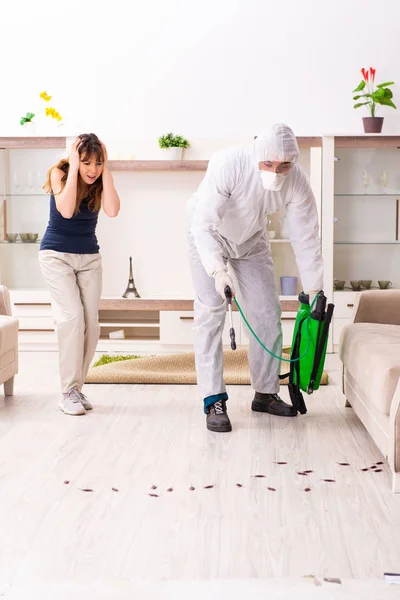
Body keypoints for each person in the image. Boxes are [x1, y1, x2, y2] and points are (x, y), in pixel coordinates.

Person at [187, 123, 323, 432]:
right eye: (269, 164)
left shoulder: (297, 182)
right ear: (256, 156)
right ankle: (213, 400)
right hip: (208, 235)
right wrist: (217, 270)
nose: (276, 172)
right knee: (210, 313)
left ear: (294, 162)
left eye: (284, 165)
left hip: (251, 239)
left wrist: (315, 288)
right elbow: (203, 225)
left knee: (266, 311)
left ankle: (265, 392)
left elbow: (305, 238)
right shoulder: (230, 163)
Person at [39, 133, 120, 416]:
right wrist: (73, 167)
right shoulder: (59, 174)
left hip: (89, 258)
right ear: (75, 159)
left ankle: (76, 388)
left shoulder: (100, 179)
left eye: (97, 163)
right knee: (71, 317)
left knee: (91, 324)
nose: (92, 169)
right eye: (86, 162)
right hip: (56, 256)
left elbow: (112, 210)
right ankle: (67, 392)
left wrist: (106, 168)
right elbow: (66, 209)